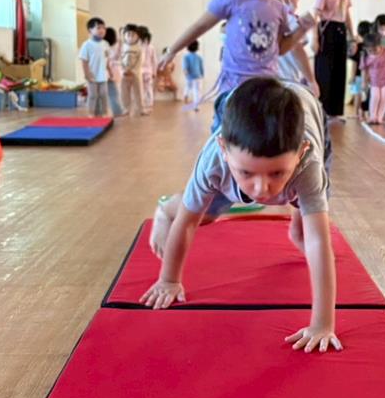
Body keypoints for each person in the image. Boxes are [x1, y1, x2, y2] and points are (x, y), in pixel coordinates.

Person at [141, 77, 341, 354]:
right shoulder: (215, 160)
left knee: (306, 225)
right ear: (224, 149)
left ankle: (293, 218)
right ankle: (165, 208)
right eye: (247, 173)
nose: (261, 189)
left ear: (300, 153)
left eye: (276, 173)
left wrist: (322, 324)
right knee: (205, 215)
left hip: (308, 110)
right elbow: (187, 223)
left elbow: (319, 240)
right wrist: (169, 280)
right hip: (235, 108)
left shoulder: (309, 164)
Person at [158, 0, 314, 130]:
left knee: (259, 133)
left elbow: (281, 48)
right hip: (234, 85)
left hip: (267, 86)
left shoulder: (279, 9)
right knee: (227, 131)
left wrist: (302, 29)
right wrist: (172, 50)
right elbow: (200, 26)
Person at [314, 0, 357, 121]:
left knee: (340, 71)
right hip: (327, 30)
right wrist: (314, 38)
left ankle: (336, 112)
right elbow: (316, 14)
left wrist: (353, 37)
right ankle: (323, 111)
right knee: (325, 71)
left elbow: (347, 16)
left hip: (341, 31)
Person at [275, 0, 316, 87]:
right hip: (287, 82)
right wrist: (311, 80)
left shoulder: (268, 16)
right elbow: (297, 49)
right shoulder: (288, 18)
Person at [78, 16, 109, 117]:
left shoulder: (105, 44)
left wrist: (110, 71)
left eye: (103, 28)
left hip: (103, 75)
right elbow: (84, 61)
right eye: (98, 28)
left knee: (103, 95)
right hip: (92, 75)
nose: (102, 30)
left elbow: (107, 59)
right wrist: (87, 74)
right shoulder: (87, 44)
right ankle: (91, 113)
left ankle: (104, 113)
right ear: (90, 30)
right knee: (93, 95)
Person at [120, 23, 145, 116]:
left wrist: (133, 71)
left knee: (138, 91)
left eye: (133, 34)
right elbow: (119, 60)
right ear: (124, 35)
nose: (130, 36)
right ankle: (126, 109)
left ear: (138, 36)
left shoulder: (139, 48)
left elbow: (140, 61)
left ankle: (141, 108)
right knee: (124, 92)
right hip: (124, 74)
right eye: (128, 34)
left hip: (136, 74)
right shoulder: (121, 48)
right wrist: (123, 70)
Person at [349, 20, 371, 119]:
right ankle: (366, 113)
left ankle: (356, 113)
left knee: (357, 94)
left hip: (357, 75)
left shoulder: (357, 47)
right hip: (369, 75)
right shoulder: (371, 46)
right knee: (367, 94)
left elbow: (354, 63)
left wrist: (352, 76)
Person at [102, 27, 125, 117]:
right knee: (114, 92)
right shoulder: (117, 45)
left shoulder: (103, 46)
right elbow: (118, 55)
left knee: (106, 92)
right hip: (114, 69)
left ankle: (105, 112)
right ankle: (117, 111)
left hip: (107, 70)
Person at [140, 26, 158, 113]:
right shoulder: (151, 47)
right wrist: (154, 72)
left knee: (141, 89)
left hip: (140, 72)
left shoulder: (138, 47)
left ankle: (143, 105)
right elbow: (155, 61)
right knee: (148, 88)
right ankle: (150, 104)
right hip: (149, 72)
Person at [183, 41, 204, 108]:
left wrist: (186, 74)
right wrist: (202, 75)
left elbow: (185, 67)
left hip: (189, 76)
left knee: (188, 87)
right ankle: (196, 105)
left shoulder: (186, 57)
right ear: (197, 47)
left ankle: (185, 96)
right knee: (196, 91)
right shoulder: (199, 57)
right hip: (198, 76)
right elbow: (201, 68)